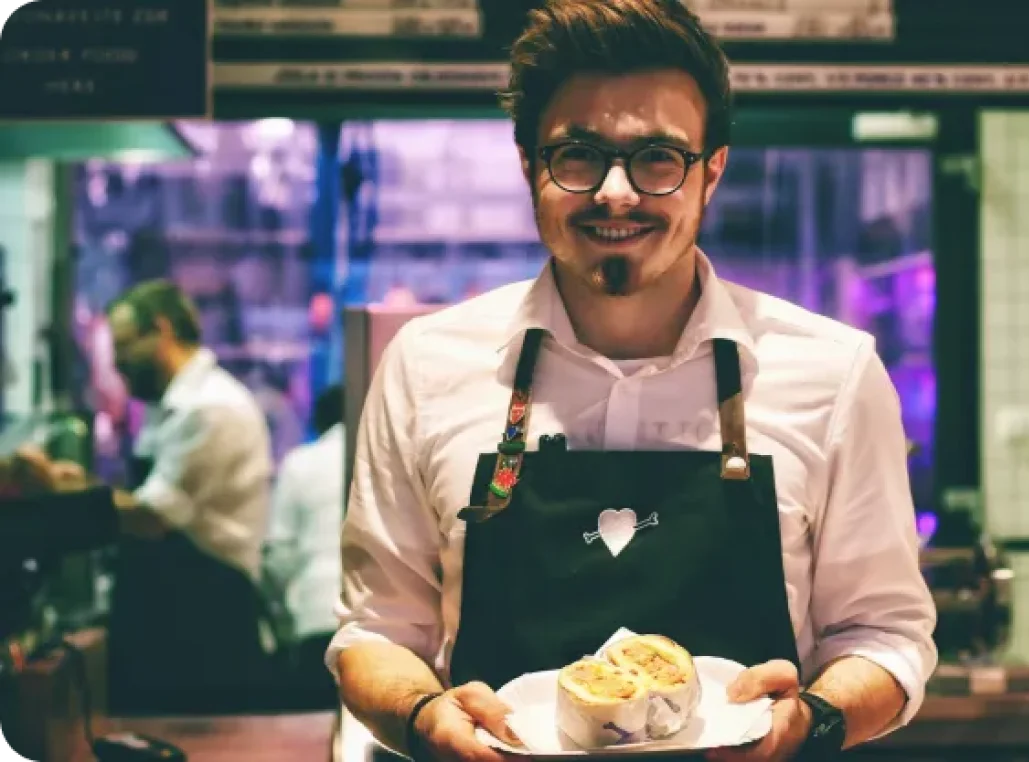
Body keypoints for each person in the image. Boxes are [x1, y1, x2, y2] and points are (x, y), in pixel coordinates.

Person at [328, 2, 937, 760]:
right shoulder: (426, 366)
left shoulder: (832, 374)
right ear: (529, 167)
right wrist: (423, 717)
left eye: (657, 156)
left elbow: (886, 635)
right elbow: (378, 631)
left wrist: (810, 721)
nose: (617, 192)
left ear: (711, 171)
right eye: (578, 155)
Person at [103, 279, 275, 714]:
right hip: (177, 609)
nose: (117, 363)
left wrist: (66, 501)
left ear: (161, 331)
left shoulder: (209, 407)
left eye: (123, 346)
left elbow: (151, 517)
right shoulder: (173, 406)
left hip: (204, 617)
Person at [263, 384, 345, 707]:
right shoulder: (395, 458)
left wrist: (283, 618)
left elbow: (279, 555)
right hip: (387, 634)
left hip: (316, 617)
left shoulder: (301, 463)